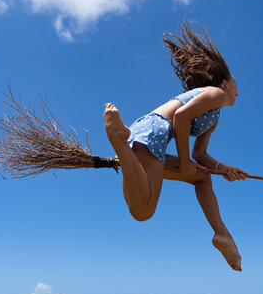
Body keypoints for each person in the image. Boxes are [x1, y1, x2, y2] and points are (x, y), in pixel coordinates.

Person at [103, 19, 247, 271]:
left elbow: (198, 154)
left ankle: (221, 233)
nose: (238, 91)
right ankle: (119, 141)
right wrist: (183, 164)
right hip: (154, 131)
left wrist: (224, 168)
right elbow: (181, 117)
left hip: (148, 133)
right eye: (237, 85)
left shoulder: (214, 116)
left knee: (202, 178)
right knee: (142, 211)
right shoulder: (217, 94)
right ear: (225, 83)